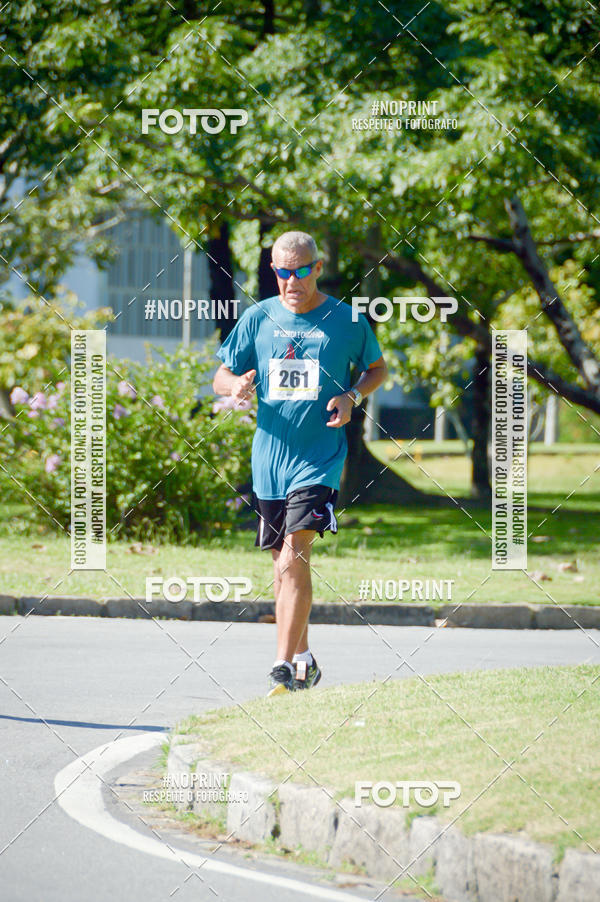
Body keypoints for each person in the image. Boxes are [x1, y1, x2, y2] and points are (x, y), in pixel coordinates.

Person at [212, 230, 387, 696]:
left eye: (302, 271)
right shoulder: (258, 318)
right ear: (274, 271)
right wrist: (234, 387)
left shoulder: (347, 321)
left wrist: (352, 396)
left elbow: (378, 368)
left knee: (295, 551)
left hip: (320, 458)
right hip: (269, 458)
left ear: (318, 267)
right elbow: (219, 374)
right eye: (283, 272)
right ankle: (306, 659)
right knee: (282, 563)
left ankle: (281, 666)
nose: (292, 281)